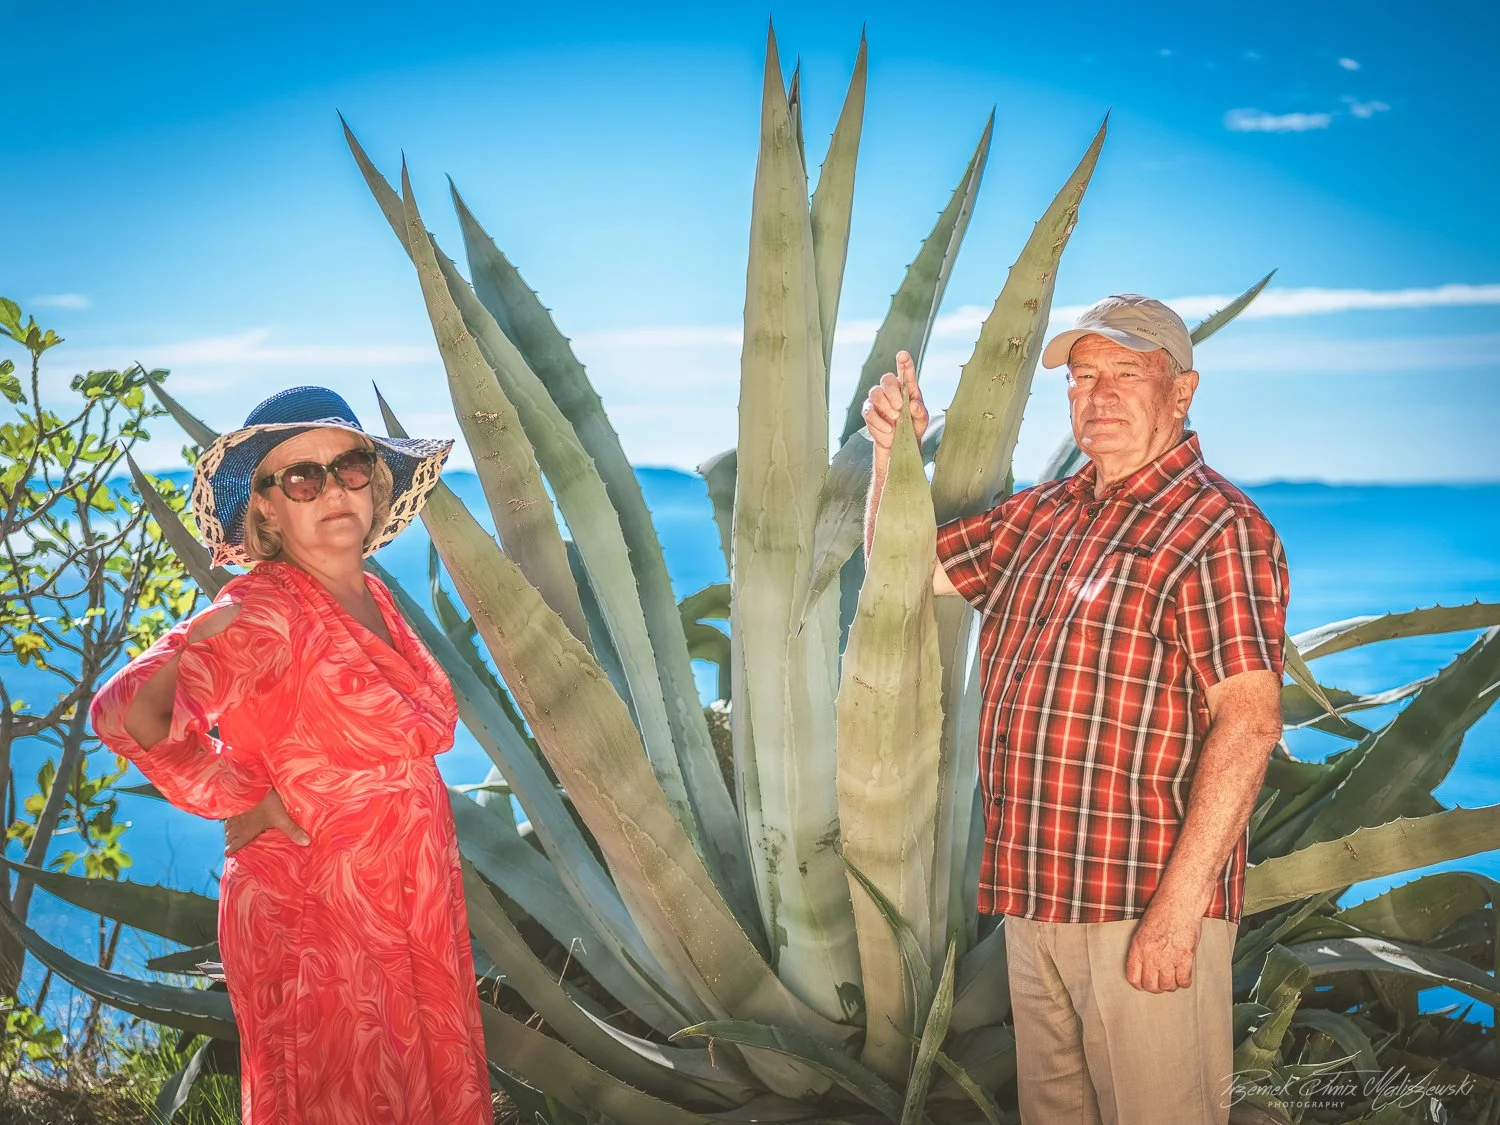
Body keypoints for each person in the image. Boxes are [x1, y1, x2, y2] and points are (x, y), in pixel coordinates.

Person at [861, 295, 1288, 1125]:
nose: (1100, 396)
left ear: (1183, 391)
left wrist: (1176, 914)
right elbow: (900, 571)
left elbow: (1250, 720)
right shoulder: (1045, 515)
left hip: (1141, 907)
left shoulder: (1218, 529)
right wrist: (891, 454)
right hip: (1036, 899)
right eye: (1084, 377)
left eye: (1127, 374)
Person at [89, 386, 492, 1124]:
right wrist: (236, 790)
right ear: (267, 509)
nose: (333, 488)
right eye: (302, 477)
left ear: (375, 479)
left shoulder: (370, 593)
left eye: (350, 466)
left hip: (410, 907)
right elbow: (127, 708)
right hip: (318, 921)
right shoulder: (265, 608)